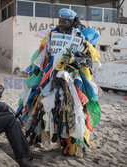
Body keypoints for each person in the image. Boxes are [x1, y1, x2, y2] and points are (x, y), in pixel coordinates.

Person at [17, 8, 101, 157]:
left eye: (65, 21)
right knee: (40, 105)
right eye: (60, 21)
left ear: (72, 21)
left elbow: (88, 61)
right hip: (50, 76)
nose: (61, 24)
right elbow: (44, 53)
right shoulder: (52, 35)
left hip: (71, 80)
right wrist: (37, 67)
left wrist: (73, 59)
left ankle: (70, 143)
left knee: (70, 110)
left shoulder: (81, 37)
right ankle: (35, 136)